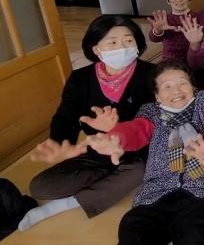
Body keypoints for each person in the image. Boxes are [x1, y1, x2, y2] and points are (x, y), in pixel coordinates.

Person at [20, 15, 155, 230]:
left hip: (136, 152)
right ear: (96, 49)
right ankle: (109, 174)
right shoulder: (80, 79)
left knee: (139, 171)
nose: (122, 47)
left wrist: (117, 132)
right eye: (112, 42)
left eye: (129, 41)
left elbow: (153, 120)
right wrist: (61, 145)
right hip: (96, 150)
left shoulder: (152, 75)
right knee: (40, 187)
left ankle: (69, 203)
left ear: (137, 45)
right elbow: (65, 117)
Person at [87, 61, 204, 245]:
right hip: (158, 191)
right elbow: (136, 130)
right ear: (157, 96)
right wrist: (116, 137)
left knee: (196, 234)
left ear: (193, 87)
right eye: (167, 86)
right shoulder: (150, 111)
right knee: (133, 229)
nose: (176, 91)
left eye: (182, 83)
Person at [147, 0, 204, 64]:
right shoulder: (164, 19)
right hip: (171, 60)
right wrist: (158, 30)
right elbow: (154, 39)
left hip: (196, 57)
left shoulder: (199, 16)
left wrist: (197, 28)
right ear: (168, 1)